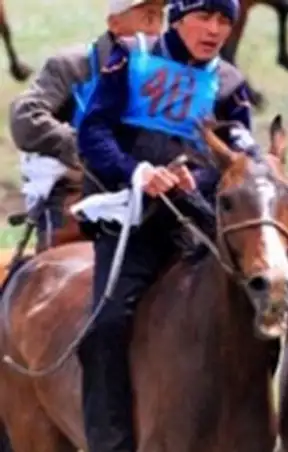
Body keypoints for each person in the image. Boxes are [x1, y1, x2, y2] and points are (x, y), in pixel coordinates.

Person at [74, 0, 262, 450]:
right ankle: (110, 441)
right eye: (204, 17)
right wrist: (137, 171)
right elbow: (93, 132)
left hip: (199, 225)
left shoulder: (231, 84)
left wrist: (196, 179)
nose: (214, 30)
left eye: (224, 21)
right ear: (177, 19)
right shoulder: (131, 56)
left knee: (265, 313)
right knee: (106, 325)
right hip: (131, 222)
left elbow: (242, 162)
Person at [9, 0, 164, 250]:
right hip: (78, 189)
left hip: (147, 190)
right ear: (114, 24)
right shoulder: (71, 66)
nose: (156, 29)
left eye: (160, 18)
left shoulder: (166, 78)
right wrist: (88, 148)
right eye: (147, 18)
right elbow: (26, 117)